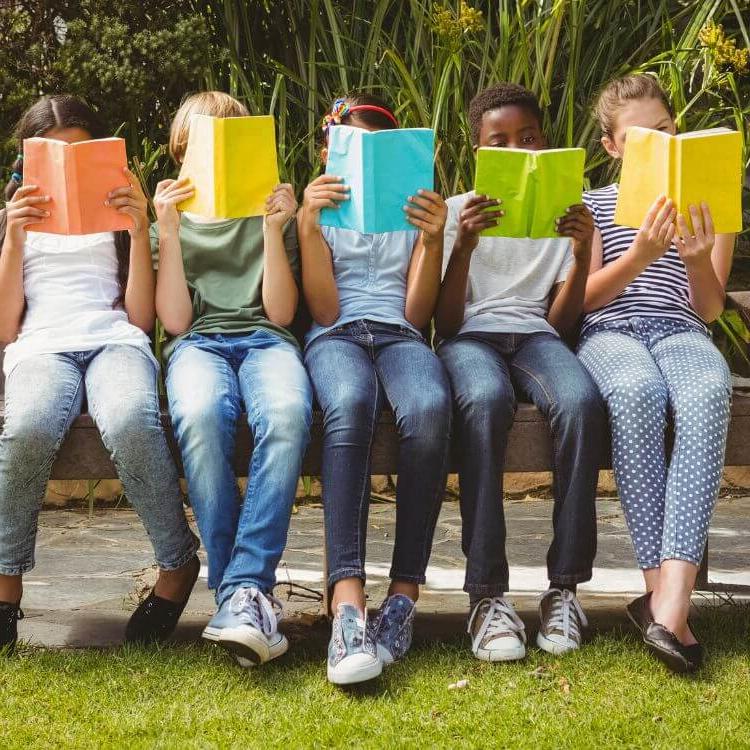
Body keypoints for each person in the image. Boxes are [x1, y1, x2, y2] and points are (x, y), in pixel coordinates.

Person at [0, 95, 200, 653]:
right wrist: (13, 239)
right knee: (30, 426)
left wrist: (138, 231)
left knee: (132, 417)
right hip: (41, 346)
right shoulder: (14, 221)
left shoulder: (118, 215)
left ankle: (177, 565)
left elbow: (138, 318)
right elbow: (4, 327)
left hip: (114, 340)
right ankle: (4, 589)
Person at [436, 83, 607, 662]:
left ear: (546, 142)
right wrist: (464, 246)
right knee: (482, 401)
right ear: (478, 148)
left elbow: (560, 328)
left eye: (528, 138)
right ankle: (487, 596)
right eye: (499, 141)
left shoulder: (564, 214)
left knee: (581, 402)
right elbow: (446, 322)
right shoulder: (460, 211)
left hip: (536, 336)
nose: (517, 148)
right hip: (471, 339)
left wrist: (582, 256)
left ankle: (564, 589)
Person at [577, 74, 735, 673]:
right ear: (614, 147)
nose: (661, 140)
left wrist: (695, 259)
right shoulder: (593, 206)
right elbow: (583, 301)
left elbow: (710, 308)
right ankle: (666, 603)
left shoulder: (709, 204)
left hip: (679, 328)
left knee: (708, 388)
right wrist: (639, 255)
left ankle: (668, 603)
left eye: (667, 129)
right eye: (643, 136)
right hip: (610, 331)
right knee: (637, 391)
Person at [153, 91, 312, 667]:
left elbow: (281, 315)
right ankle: (241, 592)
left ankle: (241, 590)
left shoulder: (271, 209)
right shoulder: (171, 215)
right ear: (182, 151)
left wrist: (274, 230)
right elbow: (174, 322)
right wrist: (168, 233)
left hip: (266, 339)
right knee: (198, 414)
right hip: (198, 342)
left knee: (289, 415)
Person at [299, 93, 452, 685]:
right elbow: (323, 307)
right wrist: (311, 227)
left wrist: (432, 240)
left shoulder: (409, 211)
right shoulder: (321, 210)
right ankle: (347, 604)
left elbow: (416, 316)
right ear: (330, 150)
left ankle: (404, 597)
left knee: (430, 407)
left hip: (398, 333)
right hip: (336, 333)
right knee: (349, 404)